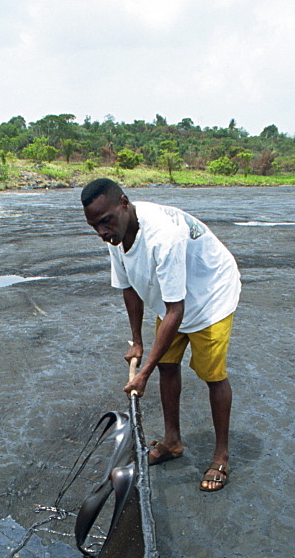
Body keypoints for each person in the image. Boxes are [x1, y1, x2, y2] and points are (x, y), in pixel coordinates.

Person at [81, 178, 241, 491]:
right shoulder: (115, 236)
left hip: (210, 294)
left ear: (124, 203)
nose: (101, 232)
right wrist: (138, 342)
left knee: (212, 374)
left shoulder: (163, 236)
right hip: (172, 298)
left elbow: (176, 312)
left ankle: (221, 455)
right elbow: (129, 289)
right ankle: (172, 442)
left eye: (104, 221)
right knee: (168, 363)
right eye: (94, 226)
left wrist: (143, 373)